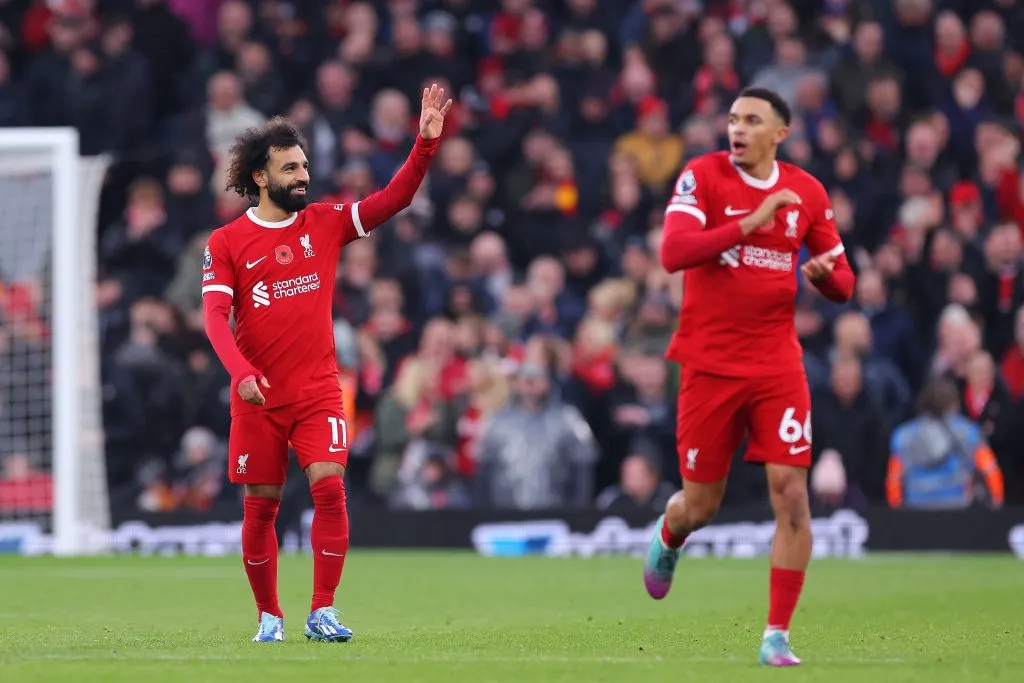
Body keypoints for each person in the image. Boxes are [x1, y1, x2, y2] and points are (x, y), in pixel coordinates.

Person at [201, 85, 452, 643]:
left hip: (318, 390)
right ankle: (270, 616)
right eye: (290, 168)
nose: (303, 177)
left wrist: (425, 145)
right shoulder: (227, 242)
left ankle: (322, 610)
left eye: (305, 166)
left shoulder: (326, 222)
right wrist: (241, 374)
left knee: (330, 490)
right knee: (260, 508)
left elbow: (393, 200)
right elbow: (215, 318)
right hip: (259, 397)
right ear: (261, 177)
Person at [642, 87, 855, 666]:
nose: (737, 129)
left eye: (752, 120)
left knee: (791, 493)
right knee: (700, 505)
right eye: (733, 118)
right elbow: (674, 252)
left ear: (779, 134)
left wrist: (823, 278)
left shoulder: (807, 191)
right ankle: (670, 533)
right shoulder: (702, 176)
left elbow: (844, 282)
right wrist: (750, 223)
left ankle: (776, 636)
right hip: (709, 366)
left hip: (776, 366)